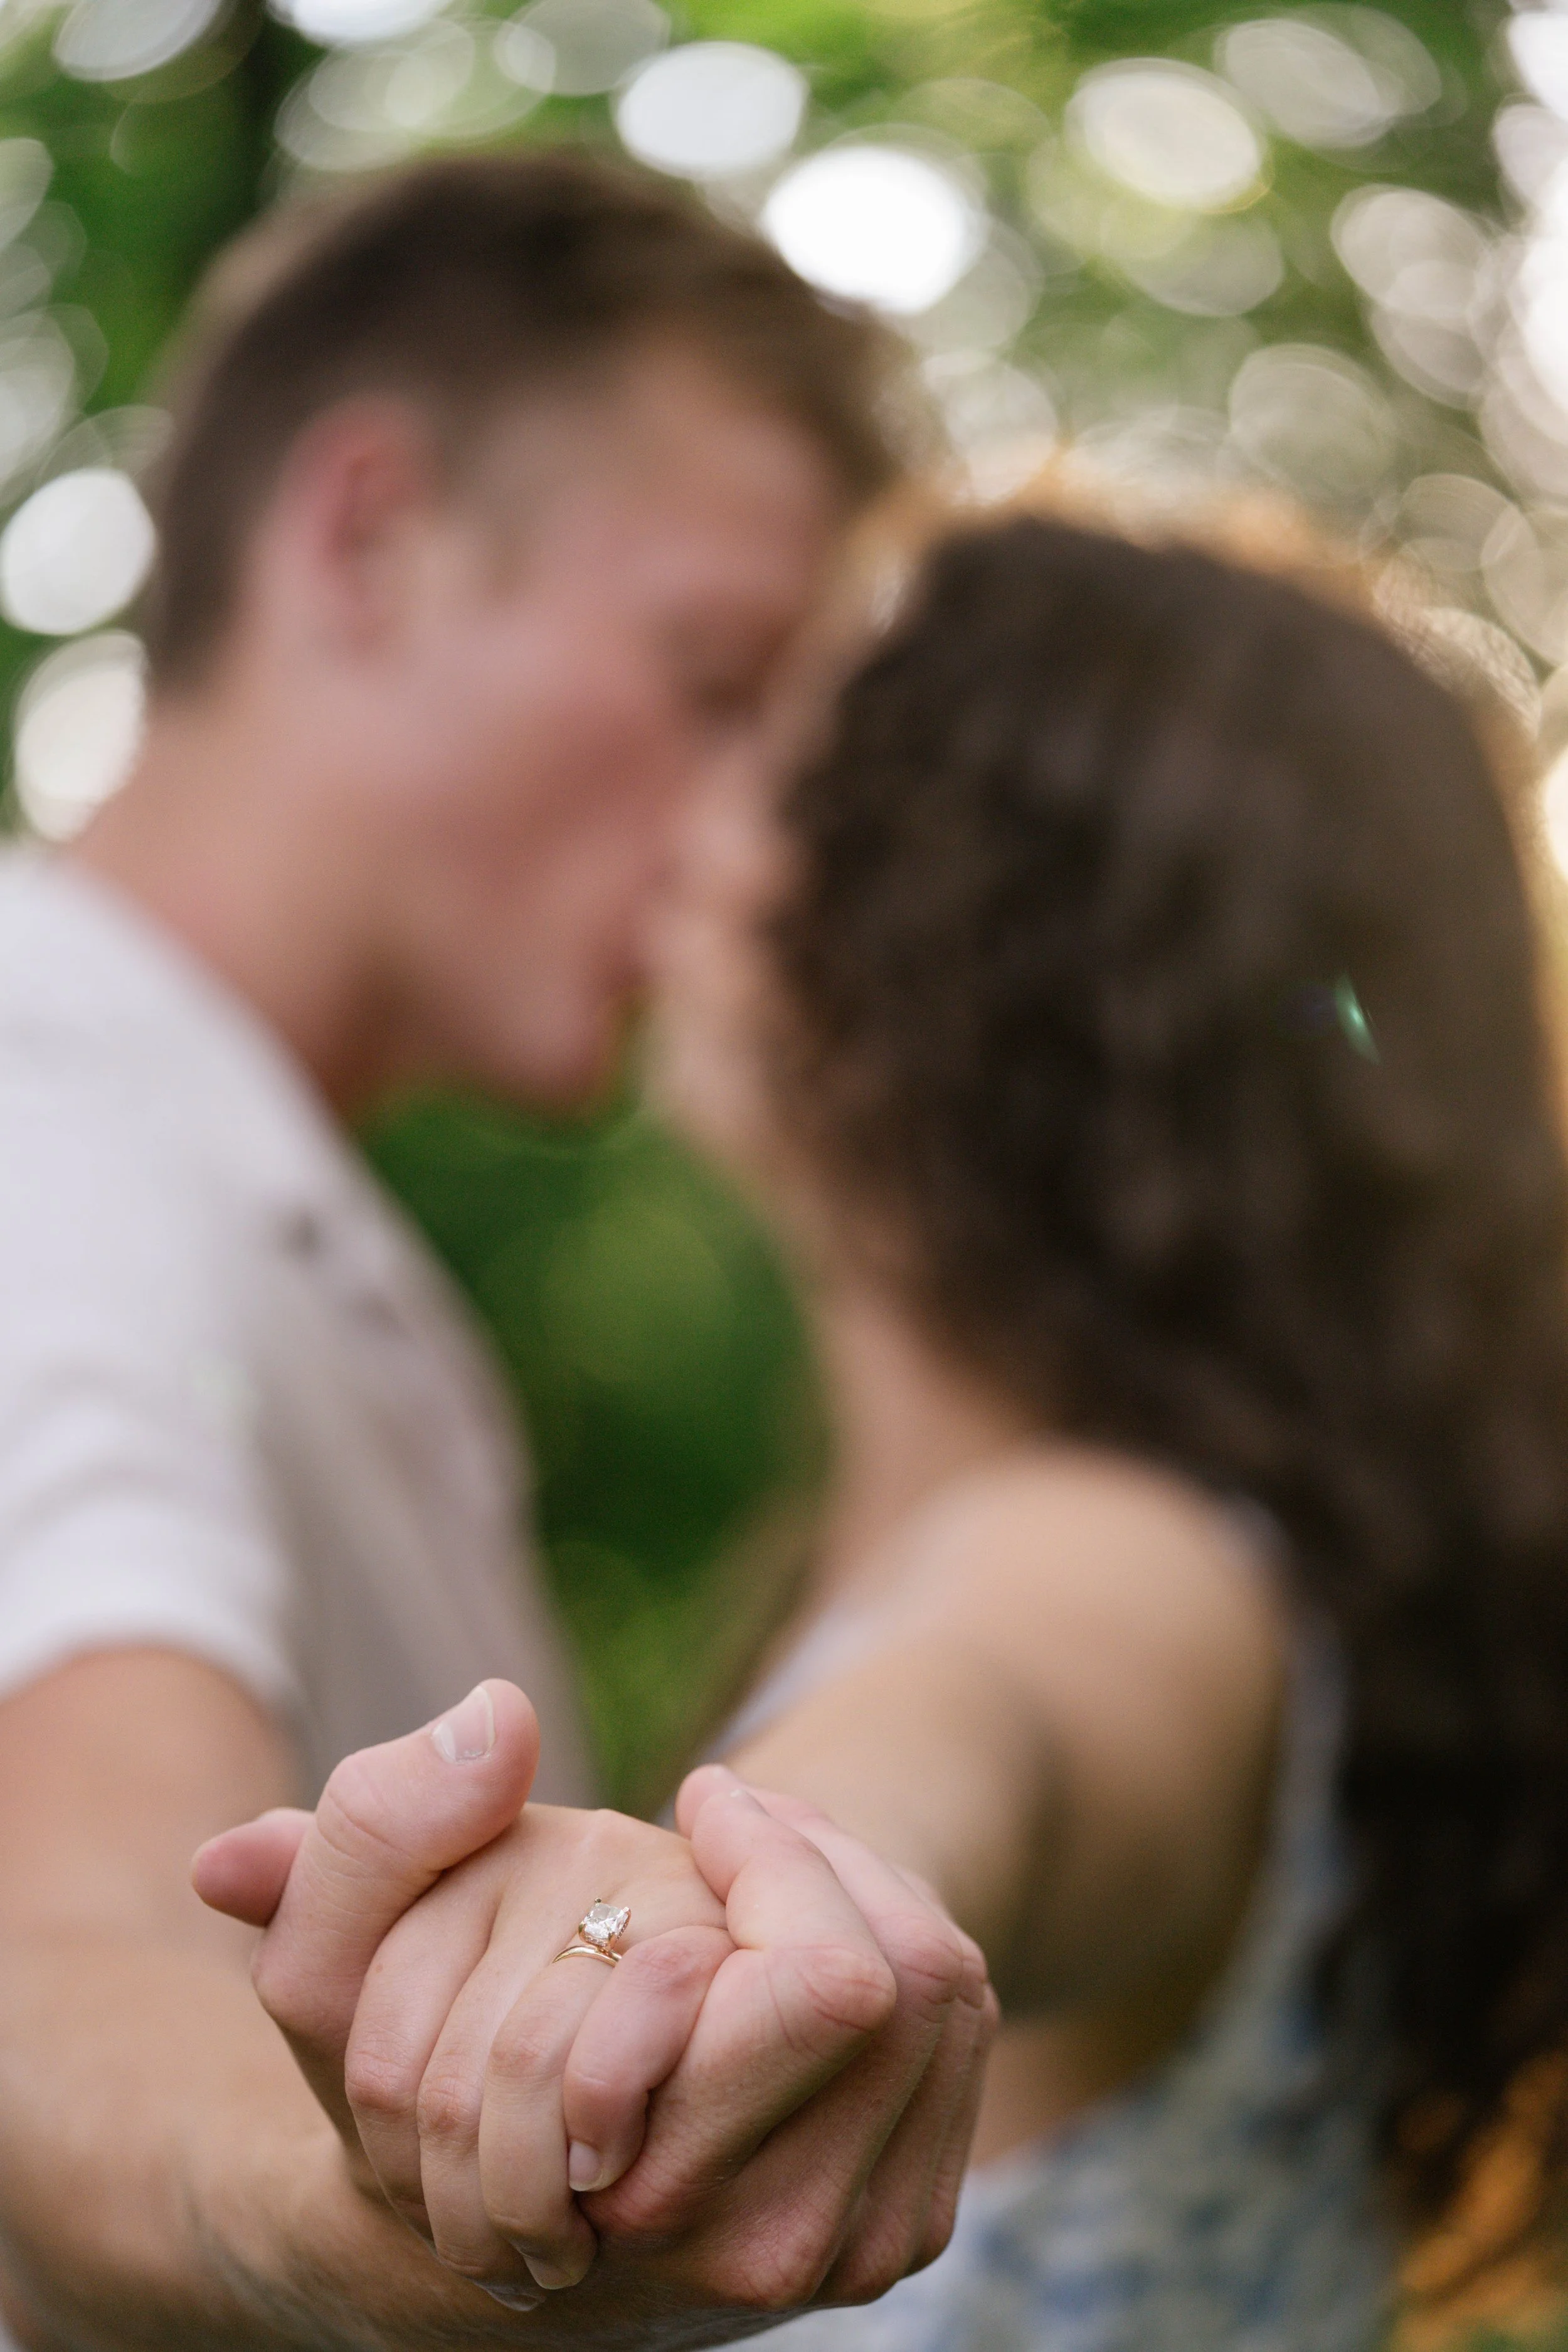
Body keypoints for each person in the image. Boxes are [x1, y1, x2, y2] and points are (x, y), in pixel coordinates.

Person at [209, 506, 1568, 2349]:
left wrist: (722, 1898)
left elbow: (986, 1725)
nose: (686, 829)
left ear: (973, 916)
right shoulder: (1064, 1540)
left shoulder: (1128, 1554)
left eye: (775, 752)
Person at [0, 152, 996, 2349]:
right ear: (368, 539)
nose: (759, 843)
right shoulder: (51, 1124)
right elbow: (57, 1941)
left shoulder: (254, 1193)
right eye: (715, 680)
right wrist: (417, 2200)